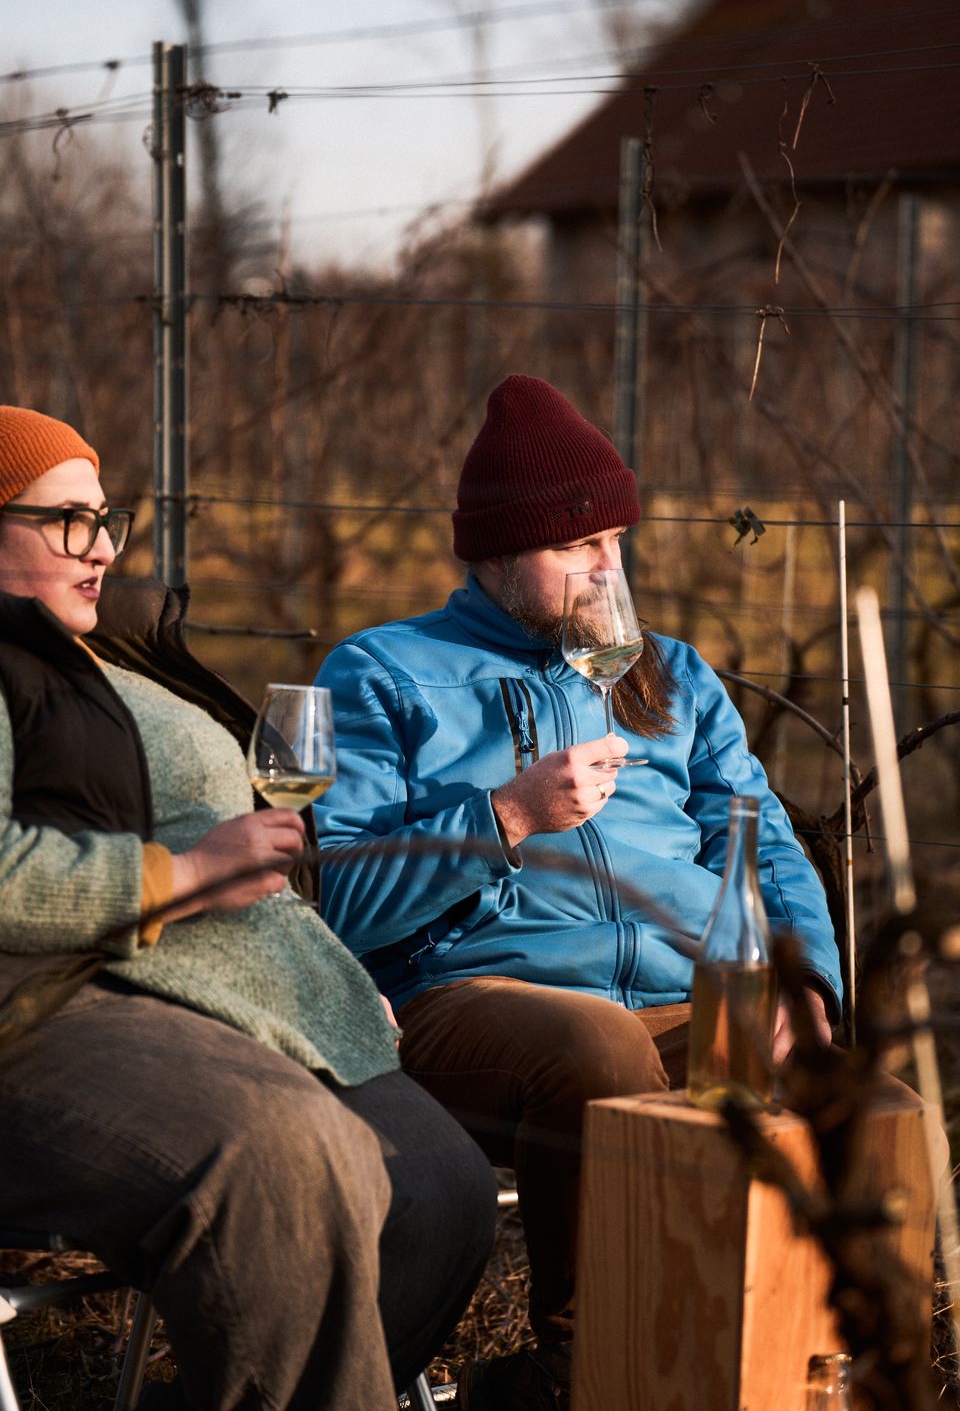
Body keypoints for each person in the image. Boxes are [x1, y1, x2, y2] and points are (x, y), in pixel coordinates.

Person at [313, 374, 843, 1411]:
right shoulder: (381, 672)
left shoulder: (672, 674)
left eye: (616, 546)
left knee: (828, 1081)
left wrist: (804, 976)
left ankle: (783, 1370)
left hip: (680, 989)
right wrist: (502, 818)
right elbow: (335, 897)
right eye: (578, 551)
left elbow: (760, 838)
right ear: (499, 553)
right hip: (465, 1002)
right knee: (597, 1045)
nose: (608, 574)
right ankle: (576, 1368)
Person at [0, 405, 497, 1411]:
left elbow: (243, 870)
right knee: (283, 1159)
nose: (100, 547)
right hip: (53, 1002)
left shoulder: (97, 660)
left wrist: (327, 986)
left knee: (438, 1181)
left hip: (205, 991)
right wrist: (178, 877)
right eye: (65, 521)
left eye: (105, 519)